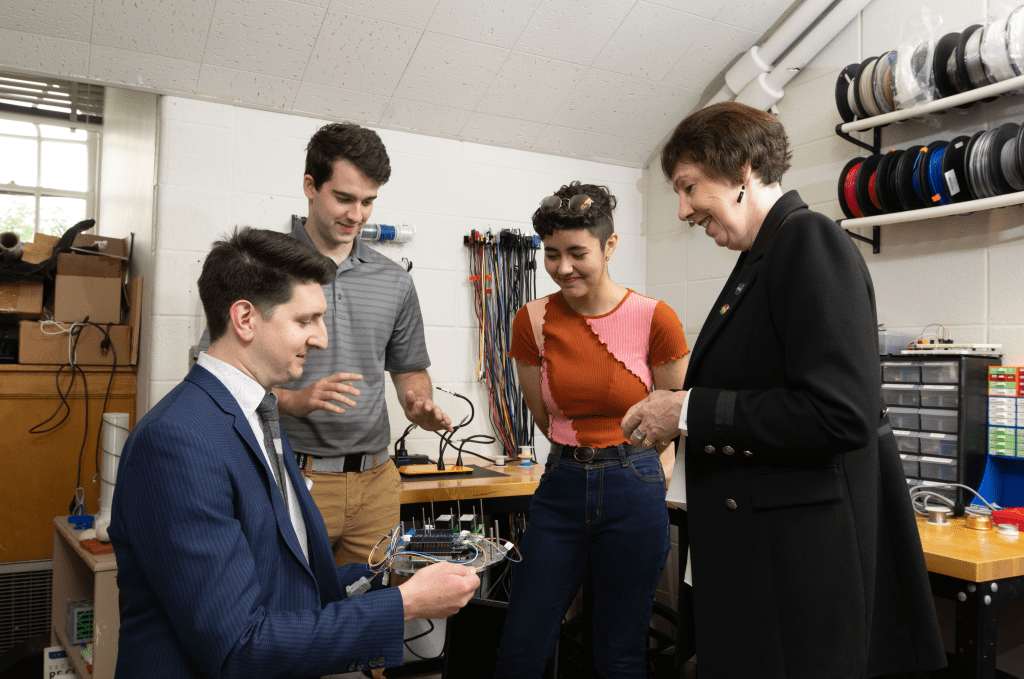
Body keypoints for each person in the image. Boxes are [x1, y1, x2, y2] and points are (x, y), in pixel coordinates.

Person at [621, 101, 946, 679]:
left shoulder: (808, 241)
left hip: (800, 575)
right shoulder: (760, 257)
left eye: (689, 187)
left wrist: (689, 409)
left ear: (742, 169)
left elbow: (839, 412)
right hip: (762, 560)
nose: (682, 209)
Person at [109, 227, 478, 679]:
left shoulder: (257, 414)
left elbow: (295, 586)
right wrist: (405, 605)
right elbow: (238, 649)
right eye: (306, 321)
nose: (321, 339)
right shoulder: (178, 442)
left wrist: (398, 573)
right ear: (245, 319)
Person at [198, 122, 451, 569]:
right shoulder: (260, 267)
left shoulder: (394, 281)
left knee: (371, 611)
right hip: (292, 474)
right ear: (310, 187)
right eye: (344, 198)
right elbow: (219, 375)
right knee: (294, 613)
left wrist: (419, 403)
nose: (358, 215)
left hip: (376, 482)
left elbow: (409, 369)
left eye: (369, 201)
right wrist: (291, 401)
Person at [493, 182, 690, 679]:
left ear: (609, 246)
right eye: (551, 254)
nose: (563, 268)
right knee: (521, 646)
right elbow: (543, 415)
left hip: (635, 485)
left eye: (577, 253)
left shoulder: (654, 318)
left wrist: (651, 471)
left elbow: (672, 417)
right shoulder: (531, 320)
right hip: (560, 487)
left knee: (619, 654)